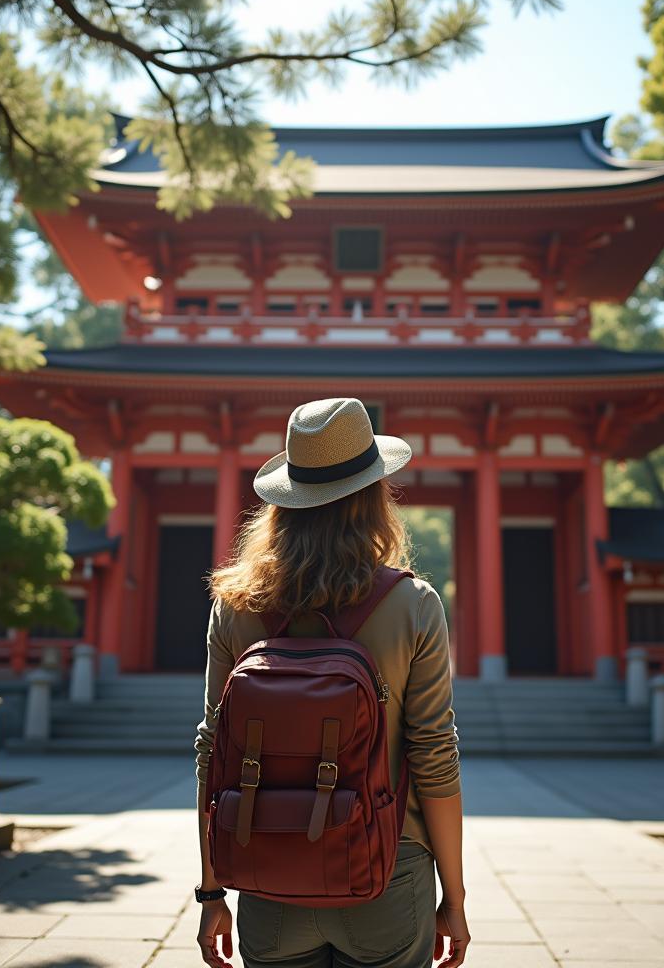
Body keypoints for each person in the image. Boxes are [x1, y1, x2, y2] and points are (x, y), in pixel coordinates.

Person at [193, 397, 469, 968]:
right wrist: (455, 898)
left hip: (266, 870)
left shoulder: (236, 604)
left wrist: (211, 892)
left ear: (285, 501)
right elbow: (435, 756)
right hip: (388, 871)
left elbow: (212, 754)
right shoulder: (413, 605)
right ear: (373, 496)